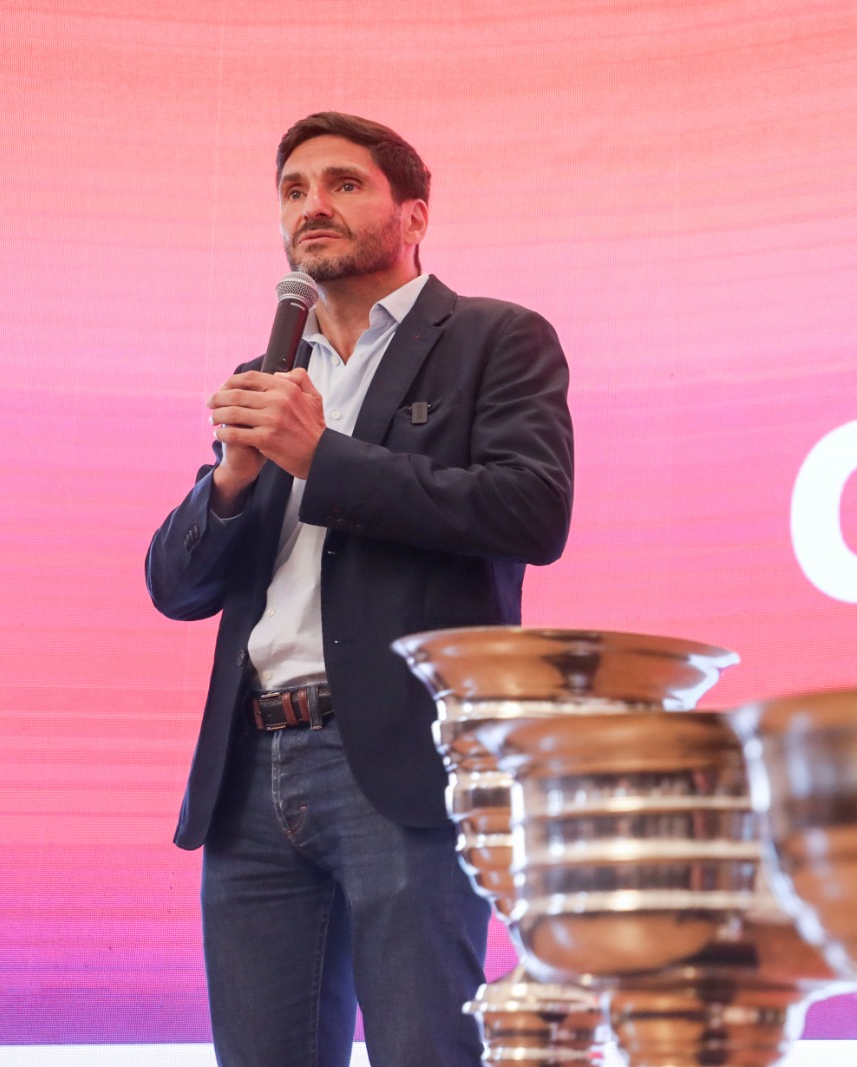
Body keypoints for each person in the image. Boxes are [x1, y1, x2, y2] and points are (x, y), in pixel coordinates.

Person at [145, 112, 574, 1067]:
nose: (313, 205)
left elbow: (531, 510)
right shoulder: (268, 375)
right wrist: (231, 482)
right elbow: (176, 586)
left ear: (414, 214)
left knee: (425, 1048)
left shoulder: (494, 338)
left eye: (344, 184)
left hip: (402, 756)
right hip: (250, 769)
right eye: (294, 190)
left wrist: (323, 458)